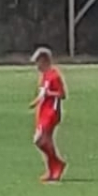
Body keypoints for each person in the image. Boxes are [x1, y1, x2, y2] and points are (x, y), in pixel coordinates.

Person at [31, 46, 68, 182]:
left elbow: (62, 94)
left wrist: (49, 93)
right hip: (43, 112)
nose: (37, 66)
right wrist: (36, 102)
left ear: (45, 60)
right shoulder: (44, 76)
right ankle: (53, 169)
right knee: (45, 141)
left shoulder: (54, 75)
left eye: (38, 62)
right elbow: (42, 94)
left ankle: (57, 164)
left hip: (51, 112)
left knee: (39, 140)